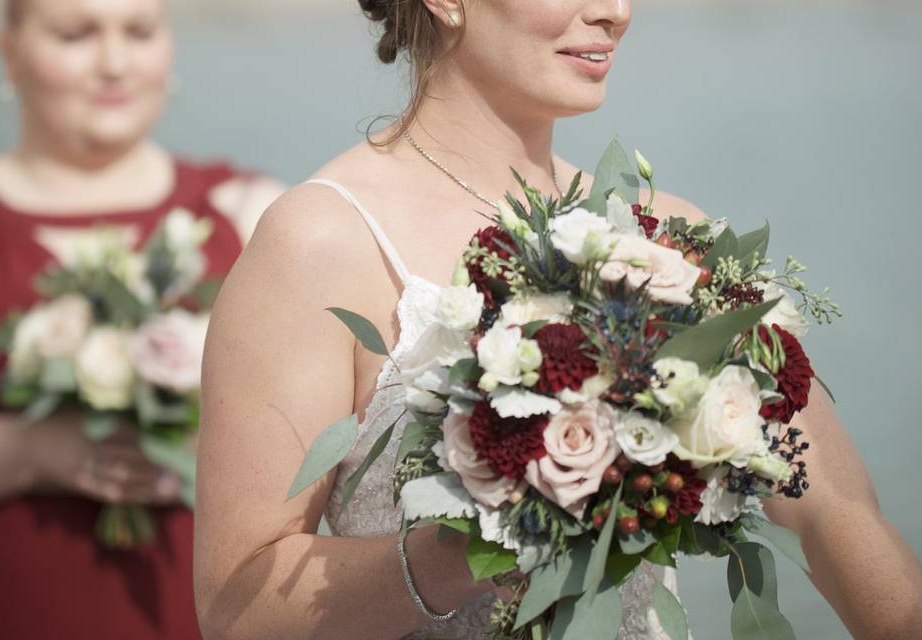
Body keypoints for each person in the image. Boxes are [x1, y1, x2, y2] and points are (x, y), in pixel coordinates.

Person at [194, 1, 922, 639]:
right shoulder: (321, 241)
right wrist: (480, 544)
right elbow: (237, 606)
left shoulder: (671, 243)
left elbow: (836, 518)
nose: (617, 11)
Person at [0, 0, 281, 638]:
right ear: (9, 51)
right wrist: (31, 450)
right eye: (76, 34)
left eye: (138, 32)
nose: (115, 64)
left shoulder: (253, 215)